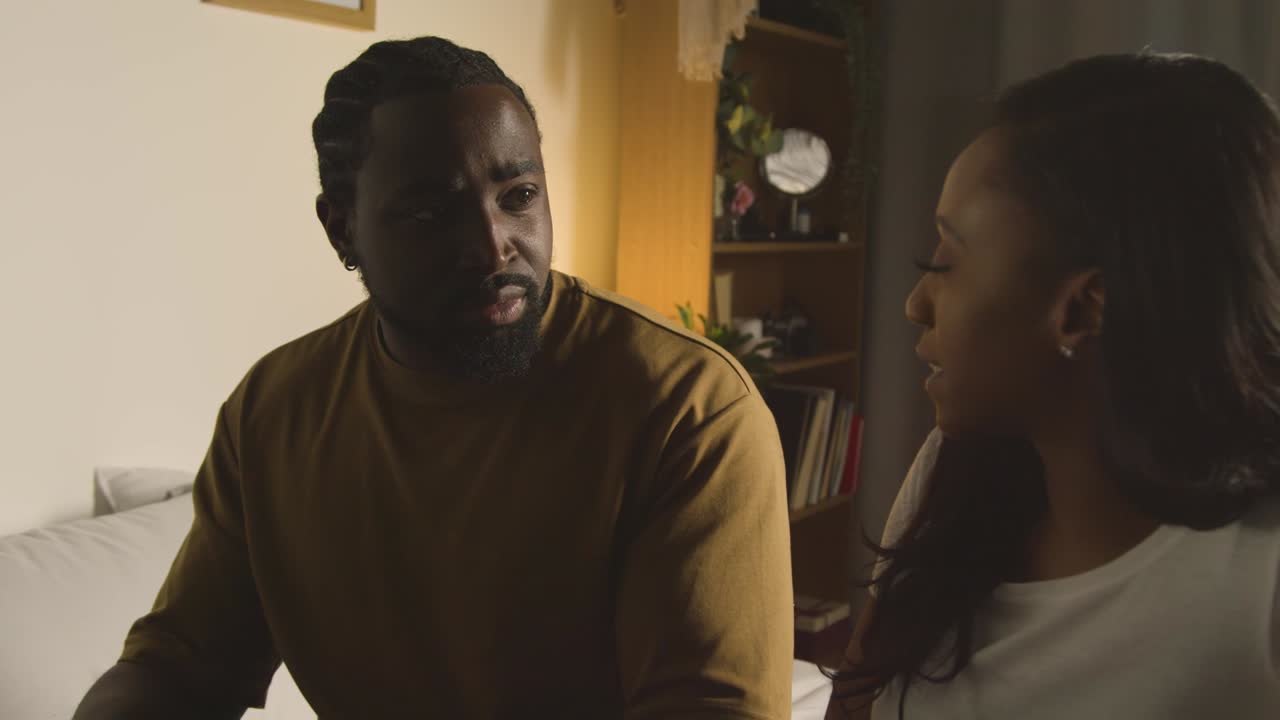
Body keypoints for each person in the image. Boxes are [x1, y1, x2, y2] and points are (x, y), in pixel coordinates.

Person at [75, 36, 794, 719]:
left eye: (519, 195)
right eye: (429, 212)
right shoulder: (273, 413)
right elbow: (176, 669)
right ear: (342, 231)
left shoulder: (688, 410)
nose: (492, 246)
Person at [827, 52, 1280, 720]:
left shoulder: (1257, 580)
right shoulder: (953, 475)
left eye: (945, 261)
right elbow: (857, 699)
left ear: (1082, 307)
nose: (915, 303)